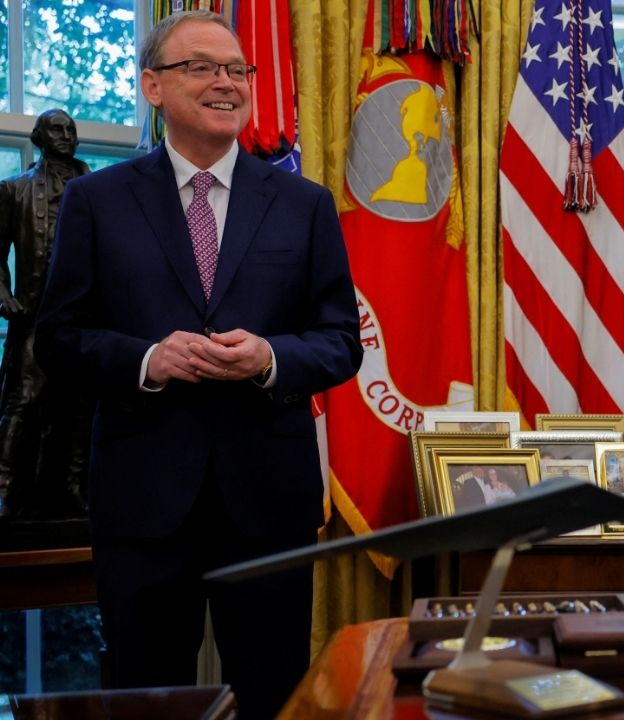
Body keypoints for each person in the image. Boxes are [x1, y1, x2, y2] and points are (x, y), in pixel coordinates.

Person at [33, 11, 361, 718]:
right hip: (142, 503)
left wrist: (269, 357)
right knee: (149, 700)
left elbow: (340, 340)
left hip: (268, 505)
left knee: (276, 698)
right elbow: (56, 338)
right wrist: (149, 359)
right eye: (202, 67)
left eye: (238, 69)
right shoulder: (97, 201)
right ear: (153, 86)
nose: (226, 82)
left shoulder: (304, 205)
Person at [0, 109, 92, 518]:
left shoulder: (99, 192)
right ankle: (4, 488)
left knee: (81, 404)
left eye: (71, 129)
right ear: (39, 137)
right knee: (22, 402)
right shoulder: (15, 190)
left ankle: (72, 488)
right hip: (35, 315)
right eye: (57, 129)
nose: (66, 135)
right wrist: (4, 293)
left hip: (87, 319)